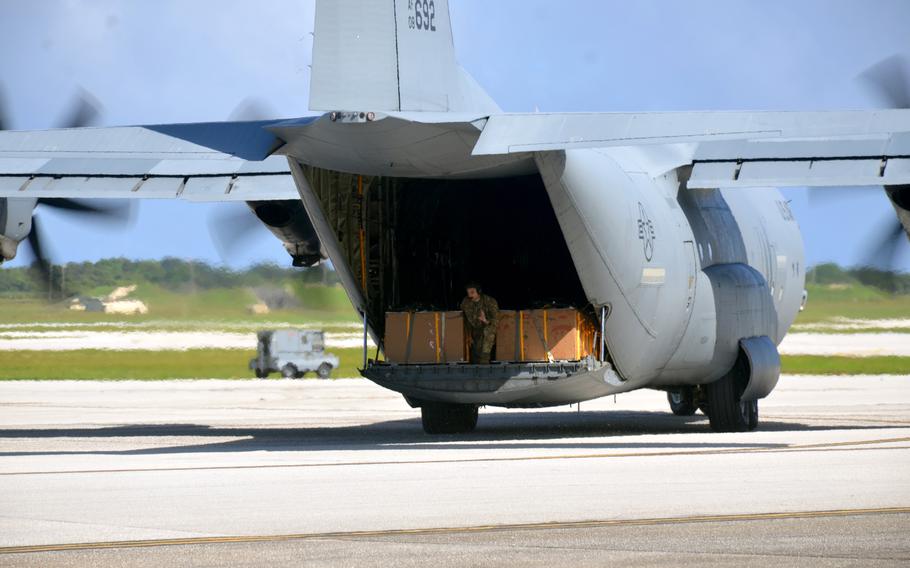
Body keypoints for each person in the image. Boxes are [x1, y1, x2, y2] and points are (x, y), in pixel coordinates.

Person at [460, 282, 499, 364]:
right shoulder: (466, 302)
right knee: (476, 354)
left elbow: (496, 320)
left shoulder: (490, 301)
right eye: (468, 293)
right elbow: (464, 319)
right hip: (475, 330)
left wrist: (485, 320)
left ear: (479, 292)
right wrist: (468, 334)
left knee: (484, 354)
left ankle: (485, 366)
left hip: (488, 328)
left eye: (472, 292)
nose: (470, 295)